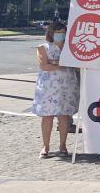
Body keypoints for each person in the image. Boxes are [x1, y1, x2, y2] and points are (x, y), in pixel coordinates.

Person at [33, 22, 79, 158]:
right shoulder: (43, 47)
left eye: (62, 32)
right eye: (57, 32)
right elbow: (44, 66)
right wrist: (63, 64)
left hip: (67, 86)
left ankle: (63, 145)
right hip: (47, 87)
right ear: (51, 33)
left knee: (64, 116)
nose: (60, 35)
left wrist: (55, 63)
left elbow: (75, 64)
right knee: (47, 117)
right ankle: (45, 146)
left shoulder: (71, 48)